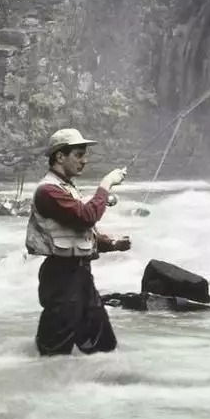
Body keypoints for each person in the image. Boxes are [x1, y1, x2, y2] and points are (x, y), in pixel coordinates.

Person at [25, 128, 132, 356]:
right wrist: (106, 184)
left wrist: (112, 244)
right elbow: (87, 216)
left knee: (103, 346)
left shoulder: (66, 188)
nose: (85, 161)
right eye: (79, 155)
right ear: (59, 156)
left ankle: (104, 376)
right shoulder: (48, 191)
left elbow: (78, 232)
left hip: (81, 276)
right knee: (54, 350)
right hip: (61, 279)